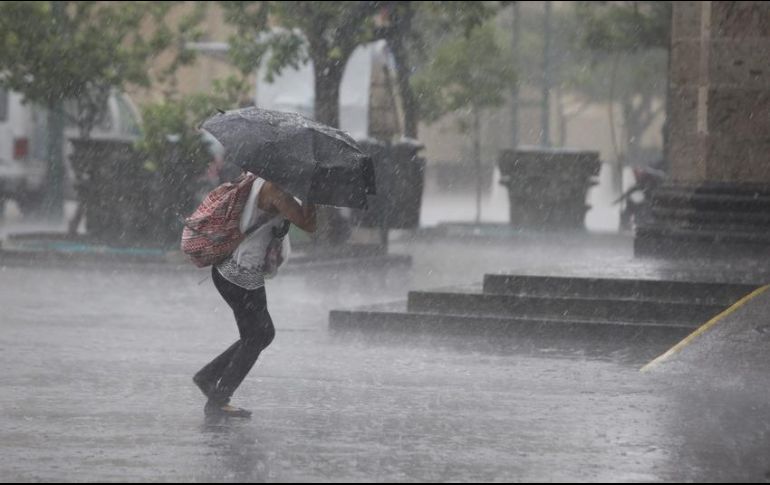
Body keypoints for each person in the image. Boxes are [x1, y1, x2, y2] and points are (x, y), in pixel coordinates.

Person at [193, 173, 316, 418]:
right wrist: (314, 192)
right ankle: (218, 399)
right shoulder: (275, 190)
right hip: (241, 275)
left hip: (230, 270)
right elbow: (309, 224)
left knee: (260, 334)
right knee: (257, 336)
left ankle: (209, 377)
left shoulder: (252, 178)